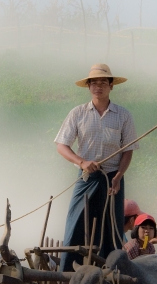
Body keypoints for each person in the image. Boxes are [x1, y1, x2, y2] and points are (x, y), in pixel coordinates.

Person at [55, 64, 138, 271]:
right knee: (76, 225)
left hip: (113, 178)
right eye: (94, 83)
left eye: (103, 82)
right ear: (88, 87)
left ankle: (110, 276)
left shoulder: (123, 115)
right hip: (86, 177)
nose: (98, 86)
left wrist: (119, 176)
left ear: (111, 86)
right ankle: (67, 276)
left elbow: (128, 151)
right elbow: (61, 145)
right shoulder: (78, 113)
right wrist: (82, 162)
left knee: (111, 229)